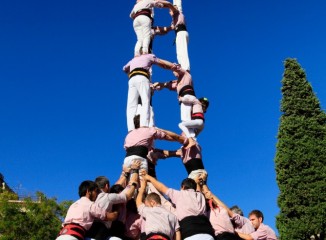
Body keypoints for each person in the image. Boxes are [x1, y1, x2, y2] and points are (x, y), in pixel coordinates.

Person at [142, 173, 215, 240]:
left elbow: (161, 187)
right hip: (208, 233)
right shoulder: (200, 196)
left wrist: (149, 178)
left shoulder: (180, 194)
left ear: (182, 187)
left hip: (189, 233)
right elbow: (198, 189)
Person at [123, 53, 179, 131]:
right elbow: (162, 63)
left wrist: (132, 71)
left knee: (131, 104)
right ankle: (144, 124)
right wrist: (174, 66)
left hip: (132, 79)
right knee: (145, 100)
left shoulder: (133, 60)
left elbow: (124, 69)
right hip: (142, 76)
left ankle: (130, 128)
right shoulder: (149, 56)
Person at [85, 162, 140, 240]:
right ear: (107, 186)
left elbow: (116, 186)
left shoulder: (91, 197)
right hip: (110, 227)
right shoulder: (109, 197)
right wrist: (135, 170)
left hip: (90, 227)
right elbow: (127, 194)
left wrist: (125, 174)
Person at [153, 65, 197, 148]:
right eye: (173, 73)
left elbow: (175, 67)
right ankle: (189, 138)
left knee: (186, 121)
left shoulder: (185, 74)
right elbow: (169, 84)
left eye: (175, 72)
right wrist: (160, 85)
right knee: (185, 120)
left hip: (187, 98)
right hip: (183, 101)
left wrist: (161, 63)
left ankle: (191, 139)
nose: (174, 73)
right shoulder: (177, 82)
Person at [170, 6, 190, 71]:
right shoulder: (175, 17)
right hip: (180, 33)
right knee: (180, 52)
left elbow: (174, 7)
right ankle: (183, 67)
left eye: (170, 10)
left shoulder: (177, 13)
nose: (169, 12)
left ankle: (185, 68)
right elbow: (172, 27)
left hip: (181, 32)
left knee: (182, 50)